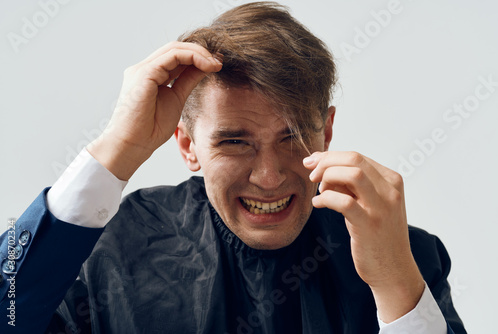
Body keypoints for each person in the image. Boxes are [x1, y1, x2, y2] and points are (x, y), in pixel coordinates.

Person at [0, 2, 466, 333]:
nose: (269, 175)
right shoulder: (103, 255)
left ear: (326, 131)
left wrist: (398, 288)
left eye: (293, 137)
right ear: (188, 146)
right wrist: (116, 151)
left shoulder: (407, 258)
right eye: (235, 142)